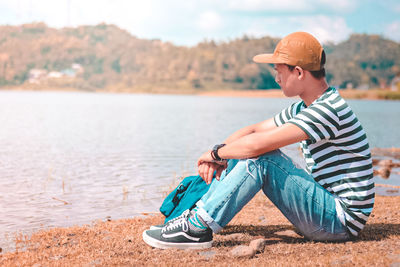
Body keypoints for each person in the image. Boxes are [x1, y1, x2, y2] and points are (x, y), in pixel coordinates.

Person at [142, 32, 375, 249]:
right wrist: (220, 155)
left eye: (279, 71)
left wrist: (214, 155)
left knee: (262, 158)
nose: (276, 79)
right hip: (328, 210)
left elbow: (257, 146)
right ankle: (195, 217)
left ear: (299, 72)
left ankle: (198, 227)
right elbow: (253, 131)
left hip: (340, 221)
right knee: (243, 152)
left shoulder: (327, 110)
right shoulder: (307, 107)